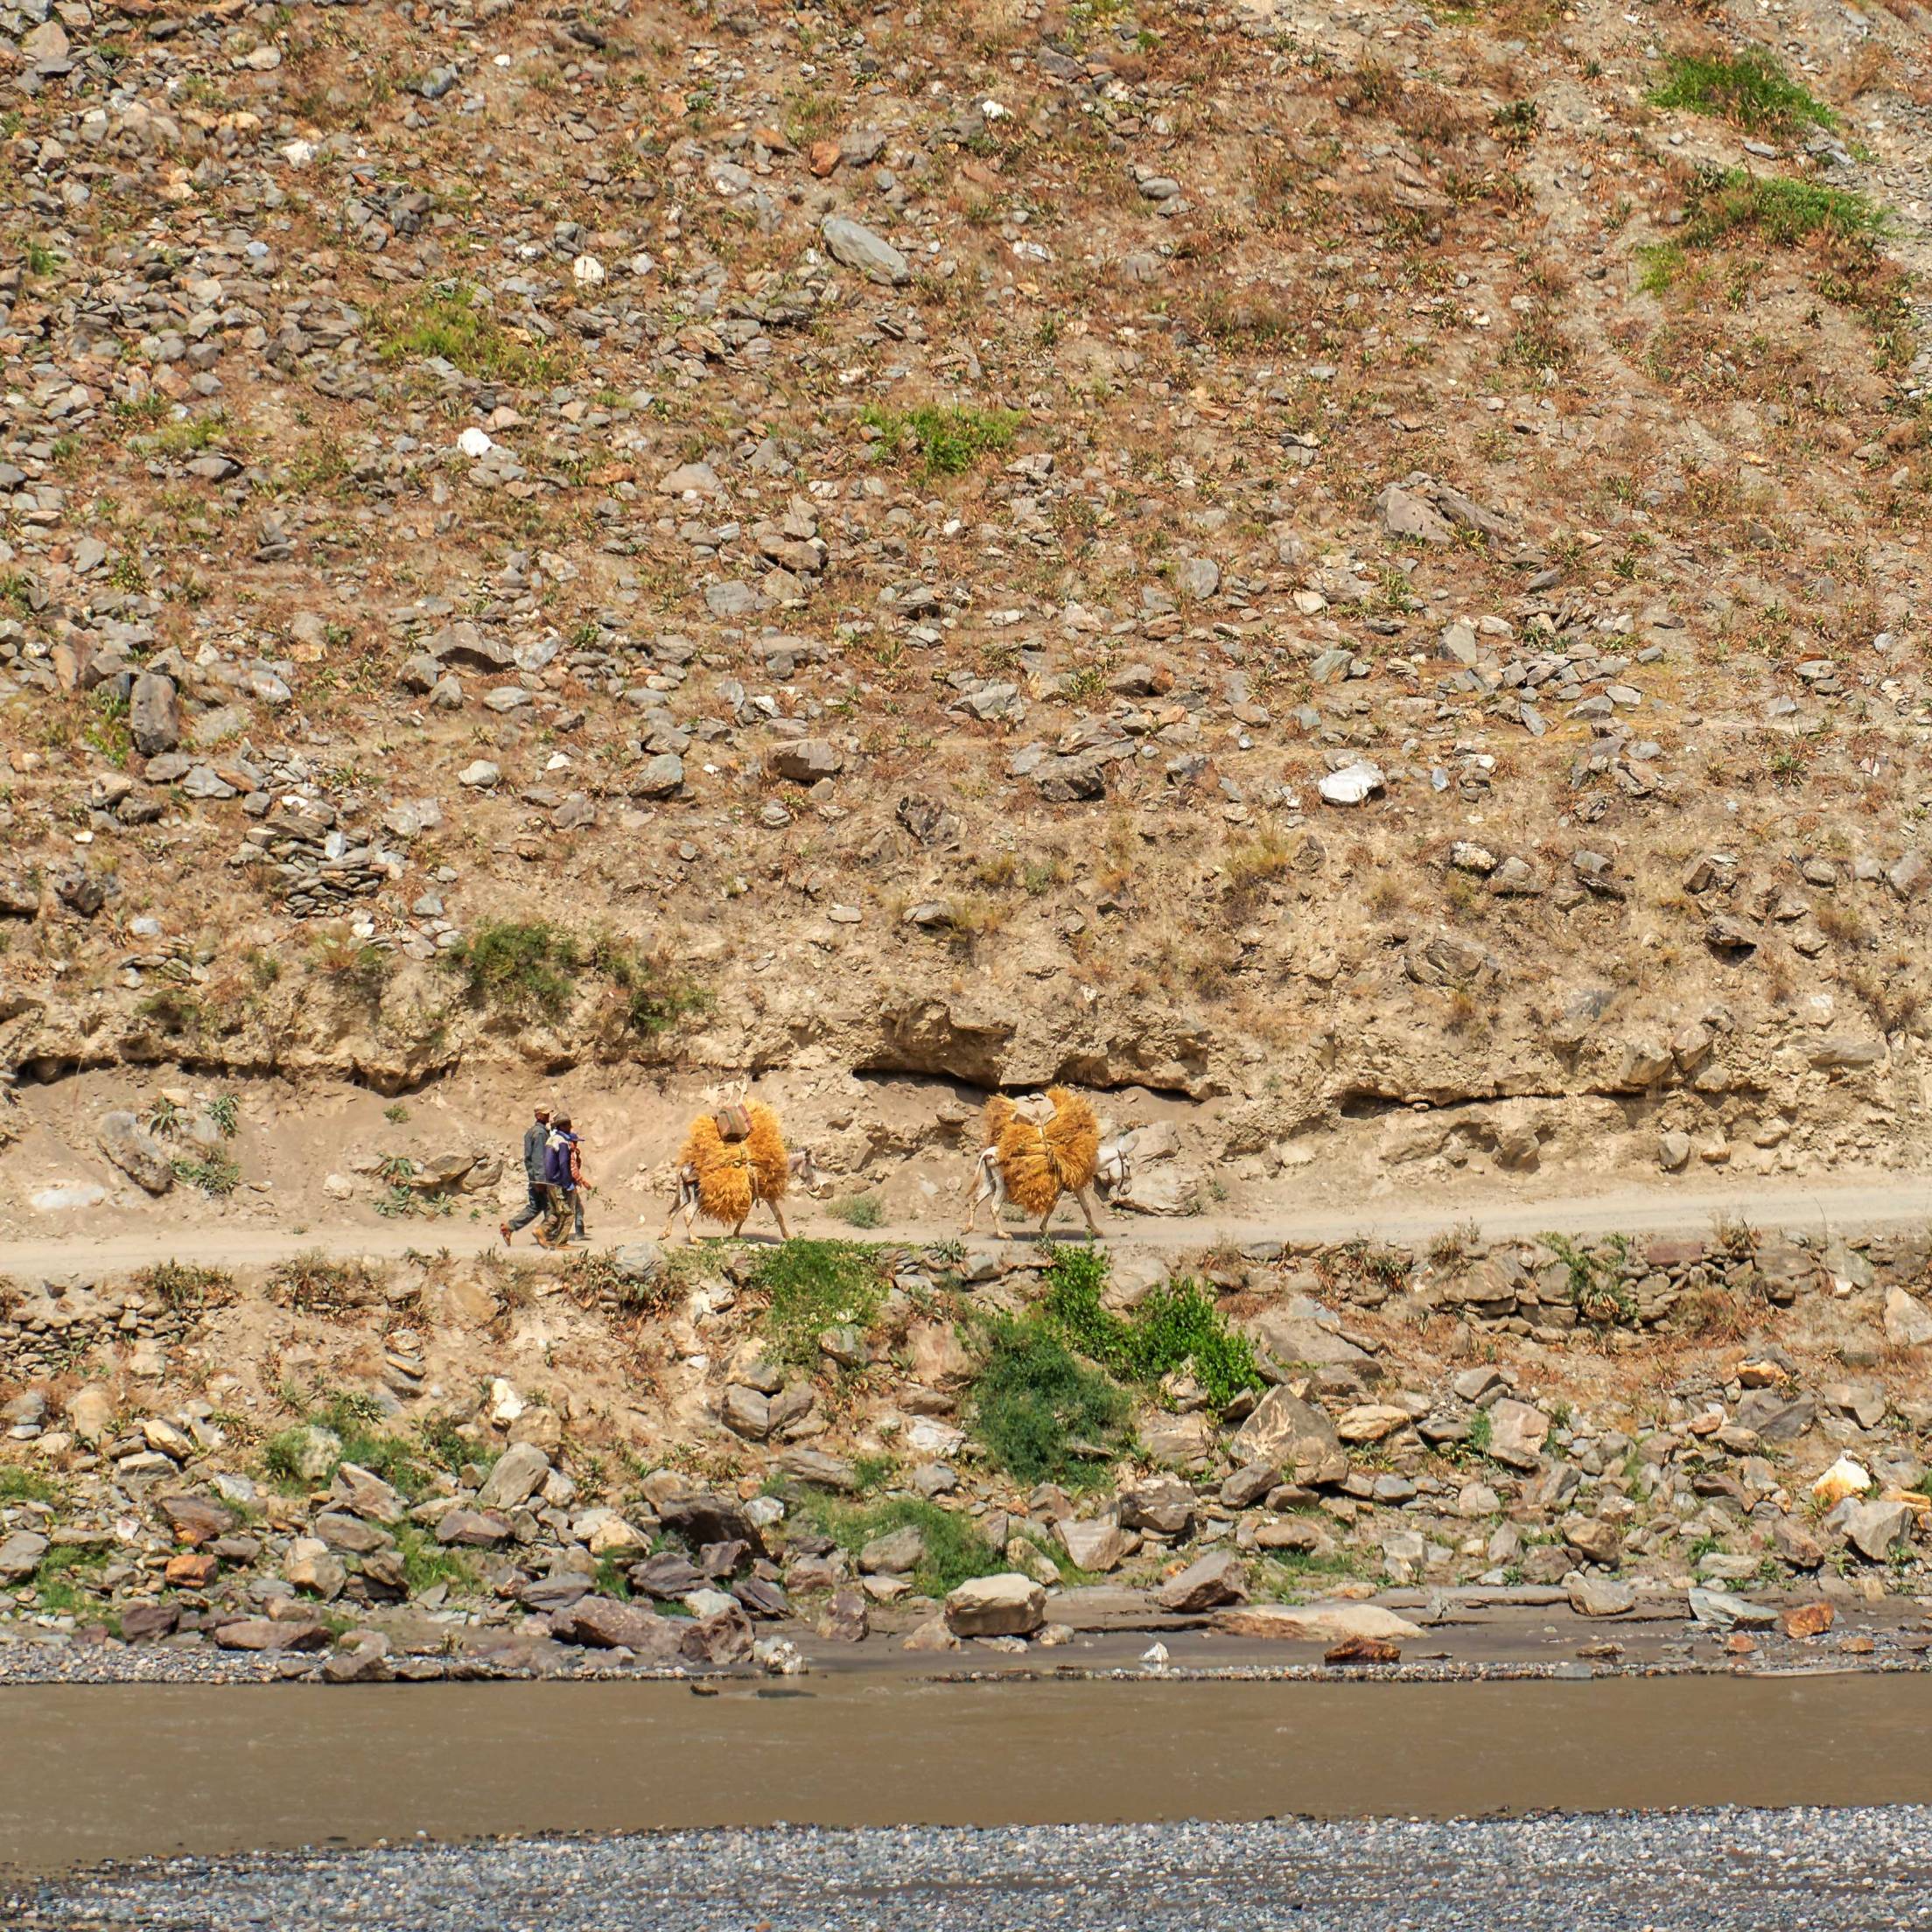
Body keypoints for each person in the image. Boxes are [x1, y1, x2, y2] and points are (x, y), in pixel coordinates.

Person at [500, 1104, 552, 1247]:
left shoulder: (532, 1132)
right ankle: (546, 1234)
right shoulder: (540, 1134)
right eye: (545, 1114)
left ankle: (509, 1227)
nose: (548, 1116)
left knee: (534, 1207)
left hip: (533, 1176)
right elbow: (539, 1158)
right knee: (552, 1208)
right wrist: (541, 1181)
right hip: (540, 1178)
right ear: (538, 1116)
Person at [536, 1113, 583, 1249]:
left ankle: (551, 1238)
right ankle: (561, 1242)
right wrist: (567, 1183)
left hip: (550, 1182)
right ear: (562, 1126)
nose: (570, 1127)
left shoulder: (551, 1140)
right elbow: (563, 1163)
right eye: (567, 1124)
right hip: (558, 1182)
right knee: (568, 1213)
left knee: (557, 1212)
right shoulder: (562, 1142)